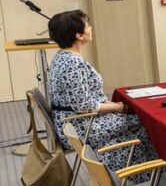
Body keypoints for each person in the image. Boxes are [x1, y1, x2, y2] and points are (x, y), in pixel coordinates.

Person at [47, 10, 158, 171]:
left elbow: (84, 98)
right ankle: (137, 172)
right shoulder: (73, 63)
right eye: (87, 26)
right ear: (79, 35)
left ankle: (135, 170)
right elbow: (84, 105)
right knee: (147, 123)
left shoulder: (61, 56)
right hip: (81, 126)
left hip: (73, 122)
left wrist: (114, 106)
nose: (91, 28)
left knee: (136, 120)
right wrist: (118, 107)